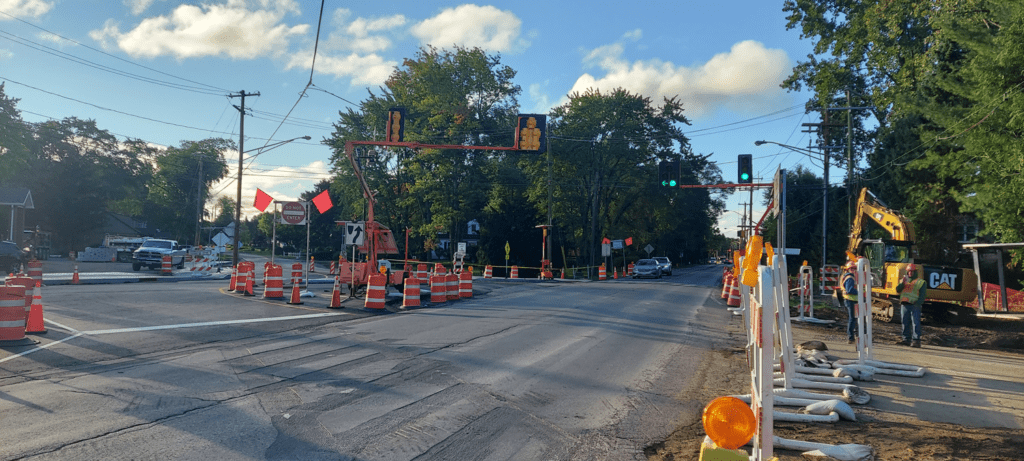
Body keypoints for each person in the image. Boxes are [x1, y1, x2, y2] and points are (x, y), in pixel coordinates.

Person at [896, 263, 926, 347]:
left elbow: (922, 295)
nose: (910, 273)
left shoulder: (921, 282)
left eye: (911, 271)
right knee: (905, 322)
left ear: (915, 272)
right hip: (904, 304)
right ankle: (906, 339)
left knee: (915, 323)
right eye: (909, 271)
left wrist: (918, 303)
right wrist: (902, 283)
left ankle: (916, 340)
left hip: (914, 305)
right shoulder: (903, 280)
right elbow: (898, 290)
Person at [841, 260, 859, 344]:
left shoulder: (849, 277)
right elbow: (850, 290)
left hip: (852, 300)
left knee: (853, 318)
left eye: (854, 268)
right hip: (850, 300)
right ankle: (850, 337)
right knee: (852, 319)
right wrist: (859, 292)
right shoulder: (850, 278)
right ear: (848, 269)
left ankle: (852, 336)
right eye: (852, 268)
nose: (853, 270)